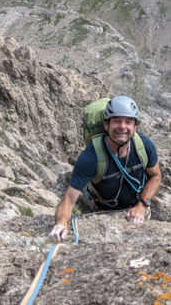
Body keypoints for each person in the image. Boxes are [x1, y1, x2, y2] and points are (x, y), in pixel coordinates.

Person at [50, 96, 162, 242]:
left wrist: (142, 205)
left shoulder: (144, 146)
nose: (122, 126)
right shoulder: (91, 157)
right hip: (102, 211)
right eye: (117, 121)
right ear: (106, 125)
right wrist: (61, 223)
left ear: (135, 127)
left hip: (137, 207)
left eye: (128, 122)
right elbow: (69, 199)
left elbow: (155, 176)